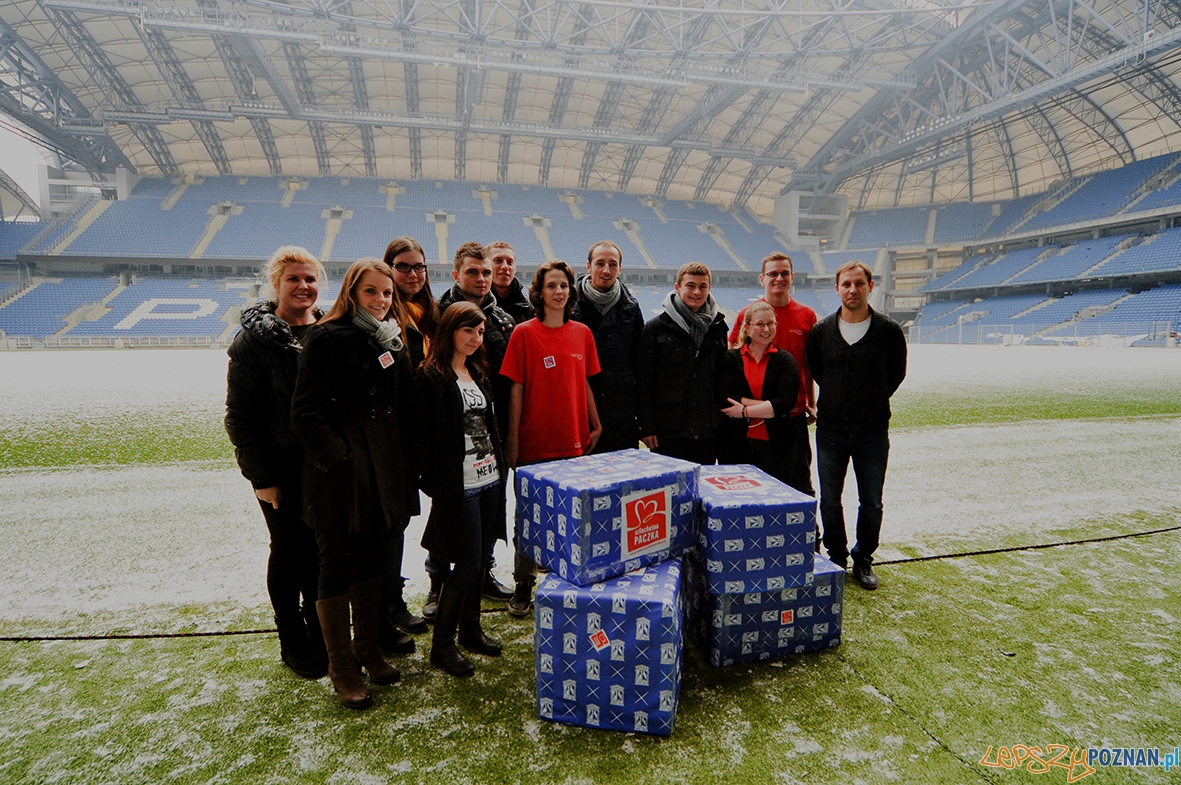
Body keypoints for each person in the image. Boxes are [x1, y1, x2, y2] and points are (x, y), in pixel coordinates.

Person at [291, 258, 411, 709]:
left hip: (381, 467)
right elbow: (305, 413)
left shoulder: (388, 338)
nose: (381, 301)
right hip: (340, 473)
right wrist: (339, 459)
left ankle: (368, 650)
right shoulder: (326, 336)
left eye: (386, 293)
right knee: (335, 564)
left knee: (373, 559)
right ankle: (342, 666)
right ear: (351, 293)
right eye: (371, 292)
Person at [225, 246, 328, 680]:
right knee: (289, 551)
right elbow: (240, 416)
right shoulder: (255, 341)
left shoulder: (327, 330)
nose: (303, 286)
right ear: (276, 284)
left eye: (310, 279)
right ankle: (291, 636)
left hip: (323, 465)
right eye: (294, 279)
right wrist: (262, 477)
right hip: (281, 467)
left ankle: (319, 628)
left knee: (321, 551)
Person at [500, 260, 602, 616]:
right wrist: (512, 440)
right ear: (539, 293)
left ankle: (562, 586)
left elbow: (585, 380)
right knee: (528, 517)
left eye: (564, 286)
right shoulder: (523, 333)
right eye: (552, 286)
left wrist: (595, 421)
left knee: (569, 519)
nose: (559, 292)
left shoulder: (582, 333)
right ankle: (523, 584)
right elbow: (516, 389)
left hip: (573, 443)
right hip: (534, 442)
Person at [412, 302, 507, 677]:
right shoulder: (430, 376)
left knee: (481, 560)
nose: (475, 338)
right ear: (450, 330)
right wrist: (436, 483)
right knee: (466, 565)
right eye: (468, 330)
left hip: (489, 480)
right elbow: (421, 438)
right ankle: (442, 645)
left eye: (480, 331)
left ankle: (471, 631)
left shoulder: (477, 371)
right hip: (460, 485)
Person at [806, 260, 907, 591]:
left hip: (873, 432)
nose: (852, 289)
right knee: (830, 499)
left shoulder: (889, 331)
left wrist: (871, 400)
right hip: (831, 431)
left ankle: (863, 558)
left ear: (870, 286)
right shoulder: (822, 331)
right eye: (846, 284)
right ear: (837, 289)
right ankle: (837, 557)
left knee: (871, 500)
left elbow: (895, 374)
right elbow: (819, 372)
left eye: (858, 284)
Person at [431, 241, 517, 611]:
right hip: (452, 436)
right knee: (447, 511)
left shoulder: (504, 317)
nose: (482, 278)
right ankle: (438, 581)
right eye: (473, 272)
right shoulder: (438, 315)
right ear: (456, 274)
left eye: (486, 272)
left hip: (490, 430)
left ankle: (483, 573)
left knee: (489, 511)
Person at [376, 236, 436, 649]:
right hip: (391, 437)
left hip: (423, 434)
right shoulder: (381, 316)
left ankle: (393, 601)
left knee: (401, 521)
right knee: (388, 523)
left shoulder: (431, 313)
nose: (413, 274)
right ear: (389, 269)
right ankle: (386, 607)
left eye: (419, 266)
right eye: (404, 267)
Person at [727, 252, 818, 496]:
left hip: (792, 414)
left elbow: (808, 364)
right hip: (749, 420)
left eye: (784, 273)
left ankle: (809, 533)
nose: (779, 278)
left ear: (792, 277)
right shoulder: (746, 315)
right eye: (773, 274)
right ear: (762, 278)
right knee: (751, 487)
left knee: (799, 483)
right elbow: (733, 363)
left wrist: (811, 401)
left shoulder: (807, 315)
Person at [636, 261, 728, 466]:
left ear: (709, 288)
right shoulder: (656, 328)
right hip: (668, 430)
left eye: (702, 286)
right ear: (678, 288)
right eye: (690, 285)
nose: (696, 292)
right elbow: (644, 380)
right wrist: (647, 428)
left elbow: (721, 378)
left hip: (706, 430)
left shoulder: (718, 327)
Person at [570, 240, 643, 453]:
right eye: (600, 263)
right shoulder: (570, 304)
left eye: (612, 264)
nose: (606, 270)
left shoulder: (631, 307)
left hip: (620, 411)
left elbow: (638, 360)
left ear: (620, 268)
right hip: (580, 407)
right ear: (588, 266)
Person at [718, 301, 801, 484]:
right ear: (747, 327)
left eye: (770, 323)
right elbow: (726, 398)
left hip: (776, 447)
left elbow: (786, 403)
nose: (766, 329)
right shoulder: (731, 358)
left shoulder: (785, 360)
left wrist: (744, 412)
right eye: (760, 324)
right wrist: (769, 407)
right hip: (735, 446)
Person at [486, 241, 533, 324]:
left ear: (515, 268)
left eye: (509, 262)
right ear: (486, 265)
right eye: (498, 260)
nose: (505, 267)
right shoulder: (477, 306)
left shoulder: (530, 307)